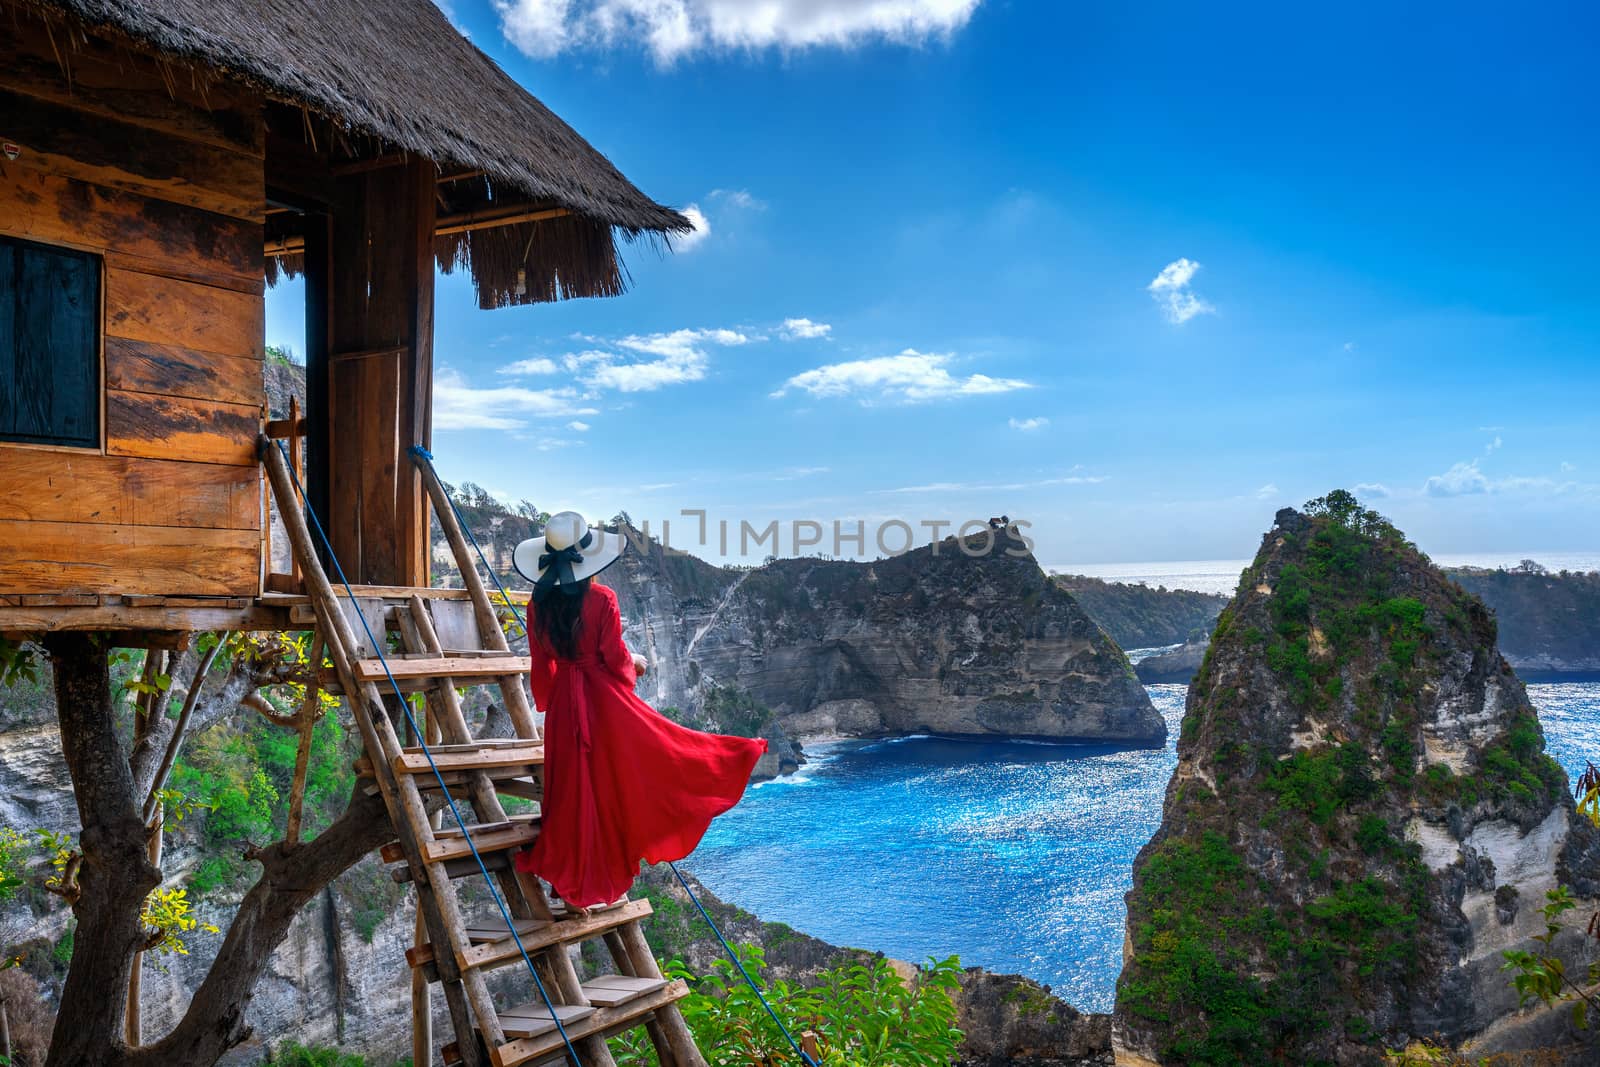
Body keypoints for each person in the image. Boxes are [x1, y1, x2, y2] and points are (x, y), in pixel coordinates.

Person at [510, 511, 767, 910]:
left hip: (564, 704)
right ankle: (736, 755)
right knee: (639, 767)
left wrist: (549, 702)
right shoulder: (601, 600)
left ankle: (565, 885)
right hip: (602, 700)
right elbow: (614, 660)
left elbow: (542, 668)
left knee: (570, 790)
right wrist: (637, 666)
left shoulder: (536, 605)